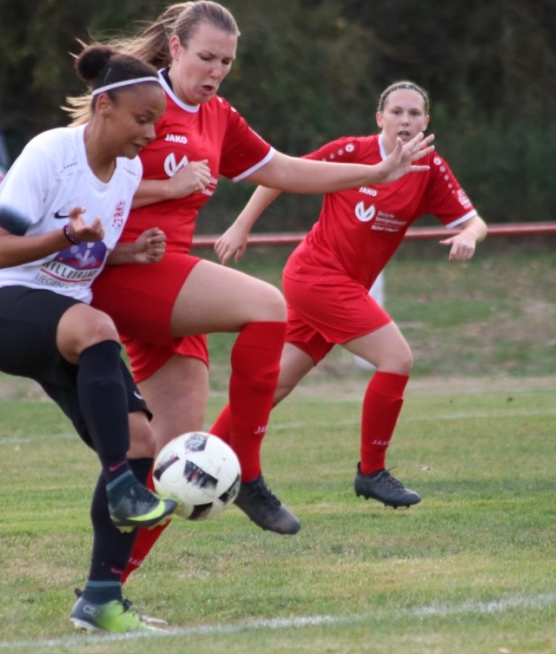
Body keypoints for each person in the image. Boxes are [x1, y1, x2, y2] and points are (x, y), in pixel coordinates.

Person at [67, 1, 435, 580]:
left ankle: (103, 592)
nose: (215, 71)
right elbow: (78, 187)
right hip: (123, 271)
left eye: (227, 62)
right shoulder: (139, 101)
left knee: (169, 466)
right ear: (176, 47)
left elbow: (283, 169)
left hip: (166, 283)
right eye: (206, 57)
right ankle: (251, 475)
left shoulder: (217, 116)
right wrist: (167, 187)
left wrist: (375, 173)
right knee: (267, 308)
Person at [0, 46, 177, 633]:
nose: (151, 133)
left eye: (156, 121)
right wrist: (65, 236)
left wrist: (127, 252)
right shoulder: (49, 153)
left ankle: (101, 600)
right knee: (98, 328)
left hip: (63, 318)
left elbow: (87, 254)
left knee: (140, 441)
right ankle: (121, 486)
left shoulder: (128, 172)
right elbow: (0, 251)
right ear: (104, 107)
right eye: (142, 119)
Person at [213, 80, 489, 507]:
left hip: (336, 287)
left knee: (273, 384)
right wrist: (240, 226)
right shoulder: (350, 151)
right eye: (396, 111)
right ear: (380, 118)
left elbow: (475, 221)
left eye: (414, 113)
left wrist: (468, 235)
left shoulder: (429, 168)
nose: (405, 120)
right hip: (315, 276)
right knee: (396, 359)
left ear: (426, 122)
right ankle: (371, 472)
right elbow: (280, 175)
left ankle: (201, 458)